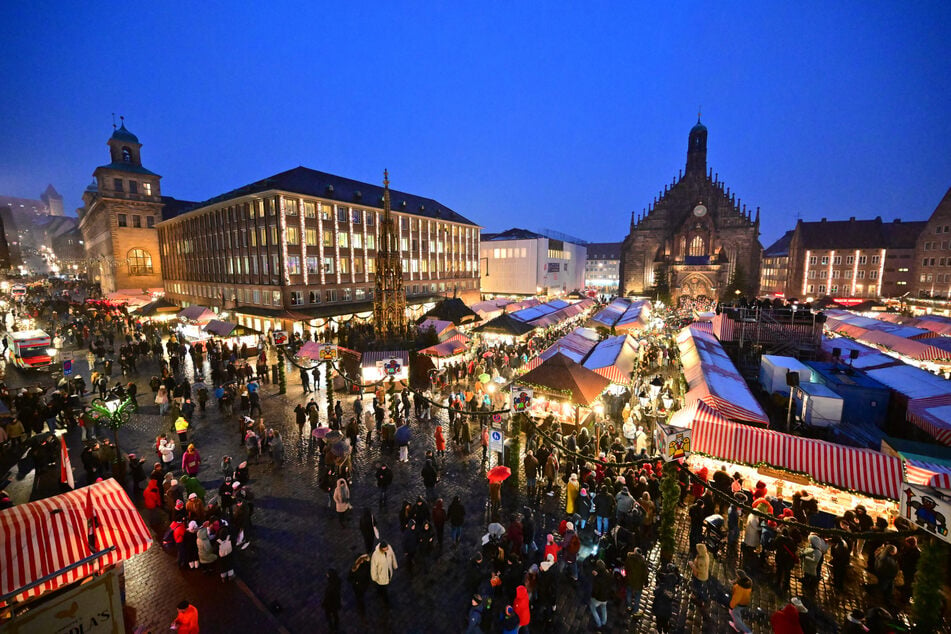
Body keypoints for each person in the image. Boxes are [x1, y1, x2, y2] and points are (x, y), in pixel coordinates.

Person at [370, 540, 398, 606]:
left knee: (383, 586)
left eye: (387, 548)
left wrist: (395, 565)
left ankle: (380, 592)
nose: (387, 549)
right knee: (383, 589)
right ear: (382, 549)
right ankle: (386, 602)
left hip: (388, 572)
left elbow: (393, 556)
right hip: (381, 577)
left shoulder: (389, 548)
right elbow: (373, 568)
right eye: (385, 549)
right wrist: (375, 578)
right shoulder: (376, 555)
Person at [589, 559, 613, 630]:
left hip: (599, 597)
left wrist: (592, 596)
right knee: (603, 608)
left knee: (593, 608)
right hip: (605, 597)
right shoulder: (608, 574)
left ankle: (599, 624)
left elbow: (596, 589)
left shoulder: (598, 578)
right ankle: (604, 622)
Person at [624, 547, 648, 616]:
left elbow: (626, 567)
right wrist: (646, 581)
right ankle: (635, 610)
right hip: (638, 583)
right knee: (637, 597)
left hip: (629, 580)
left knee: (629, 593)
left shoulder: (629, 558)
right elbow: (645, 574)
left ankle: (629, 606)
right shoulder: (643, 562)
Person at [323, 568, 342, 633]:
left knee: (329, 615)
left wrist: (324, 603)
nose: (327, 575)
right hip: (335, 602)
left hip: (330, 603)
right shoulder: (336, 583)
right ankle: (335, 626)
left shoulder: (331, 586)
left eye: (328, 574)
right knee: (335, 614)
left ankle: (332, 628)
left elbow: (328, 596)